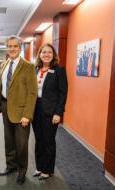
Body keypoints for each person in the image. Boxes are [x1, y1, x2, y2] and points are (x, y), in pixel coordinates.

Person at [0, 35, 37, 185]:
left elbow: (32, 93)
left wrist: (27, 115)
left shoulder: (28, 66)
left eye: (15, 46)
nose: (12, 49)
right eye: (10, 46)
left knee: (21, 143)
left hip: (21, 111)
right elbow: (1, 87)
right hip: (6, 107)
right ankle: (11, 166)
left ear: (20, 48)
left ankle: (22, 170)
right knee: (9, 140)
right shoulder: (5, 64)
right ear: (7, 48)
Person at [32, 43, 68, 180]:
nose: (46, 54)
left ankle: (48, 170)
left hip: (51, 111)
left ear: (53, 55)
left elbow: (63, 93)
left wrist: (58, 113)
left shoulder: (59, 70)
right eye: (43, 52)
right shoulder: (35, 69)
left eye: (49, 52)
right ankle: (39, 167)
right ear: (39, 54)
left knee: (49, 140)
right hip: (35, 109)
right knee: (38, 139)